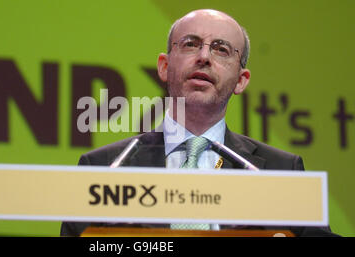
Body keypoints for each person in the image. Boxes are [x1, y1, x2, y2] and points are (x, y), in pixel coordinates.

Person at [60, 9, 337, 237]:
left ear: (241, 80)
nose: (204, 57)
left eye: (222, 49)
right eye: (191, 44)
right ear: (164, 67)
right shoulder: (104, 167)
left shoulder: (279, 170)